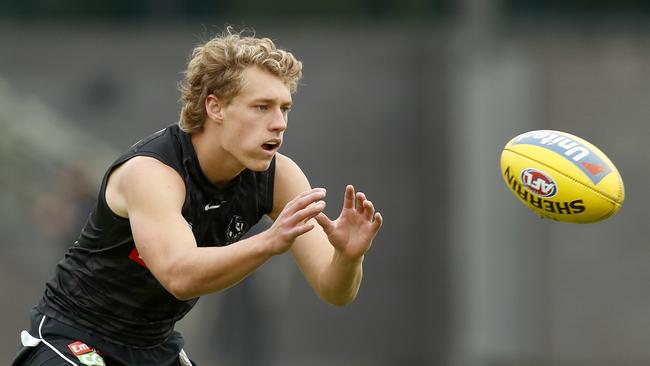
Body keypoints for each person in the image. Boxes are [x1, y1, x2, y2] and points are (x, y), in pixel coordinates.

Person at [12, 28, 383, 365]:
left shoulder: (280, 177)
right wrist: (270, 242)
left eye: (284, 108)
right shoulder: (153, 172)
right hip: (75, 337)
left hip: (155, 348)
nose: (279, 123)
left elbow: (334, 291)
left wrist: (349, 259)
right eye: (262, 107)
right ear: (215, 106)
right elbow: (179, 274)